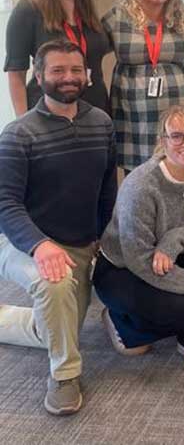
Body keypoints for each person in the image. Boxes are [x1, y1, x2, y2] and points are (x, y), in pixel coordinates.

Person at [0, 40, 116, 415]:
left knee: (57, 326)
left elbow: (106, 191)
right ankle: (64, 375)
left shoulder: (101, 123)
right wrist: (40, 245)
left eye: (75, 70)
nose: (68, 78)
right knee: (55, 287)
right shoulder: (18, 134)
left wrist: (103, 237)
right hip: (24, 243)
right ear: (38, 74)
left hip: (81, 244)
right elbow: (5, 204)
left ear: (86, 74)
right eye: (57, 71)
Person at [93, 105, 184, 373]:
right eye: (176, 136)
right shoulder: (140, 186)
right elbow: (139, 260)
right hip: (123, 269)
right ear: (162, 141)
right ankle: (122, 322)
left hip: (171, 256)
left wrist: (174, 239)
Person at [103, 0, 184, 171]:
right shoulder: (117, 18)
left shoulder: (182, 16)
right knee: (140, 173)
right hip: (135, 116)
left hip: (180, 108)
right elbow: (90, 51)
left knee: (181, 167)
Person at [5, 0, 110, 116]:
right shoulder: (28, 10)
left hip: (95, 112)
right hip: (48, 115)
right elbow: (16, 73)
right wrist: (23, 123)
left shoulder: (87, 10)